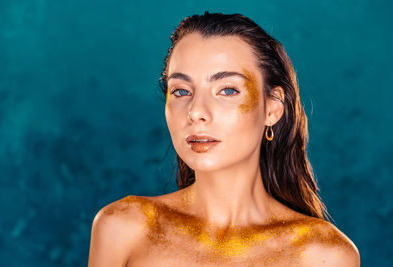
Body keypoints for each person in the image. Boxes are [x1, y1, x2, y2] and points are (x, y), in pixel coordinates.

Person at [88, 11, 360, 266]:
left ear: (273, 107)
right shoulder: (122, 227)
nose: (196, 112)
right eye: (181, 91)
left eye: (227, 90)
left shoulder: (322, 255)